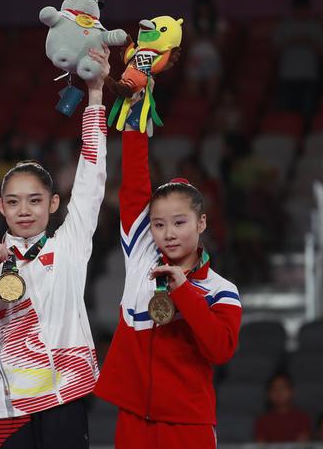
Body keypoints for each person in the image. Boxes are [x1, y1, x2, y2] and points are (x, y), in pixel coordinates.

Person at [0, 46, 111, 448]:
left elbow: (91, 179)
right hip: (9, 403)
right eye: (13, 201)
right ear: (0, 207)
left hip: (66, 393)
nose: (24, 210)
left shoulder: (70, 245)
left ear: (54, 203)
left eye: (34, 200)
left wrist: (95, 96)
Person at [93, 90, 242, 448]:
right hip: (132, 419)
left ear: (201, 223)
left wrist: (183, 291)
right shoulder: (143, 255)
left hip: (188, 424)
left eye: (179, 223)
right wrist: (133, 117)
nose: (168, 234)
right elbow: (134, 186)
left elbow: (220, 350)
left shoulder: (221, 289)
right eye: (159, 225)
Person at [273, 0, 323, 124]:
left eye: (304, 9)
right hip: (287, 77)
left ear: (309, 10)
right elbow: (275, 50)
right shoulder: (284, 25)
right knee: (286, 115)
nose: (301, 12)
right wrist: (292, 40)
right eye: (298, 9)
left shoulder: (316, 26)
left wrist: (308, 41)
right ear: (293, 9)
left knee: (307, 115)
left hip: (309, 77)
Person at [254, 373, 312, 443]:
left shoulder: (302, 418)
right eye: (274, 389)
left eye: (283, 388)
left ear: (292, 392)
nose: (279, 392)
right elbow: (261, 445)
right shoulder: (262, 421)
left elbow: (302, 445)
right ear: (268, 394)